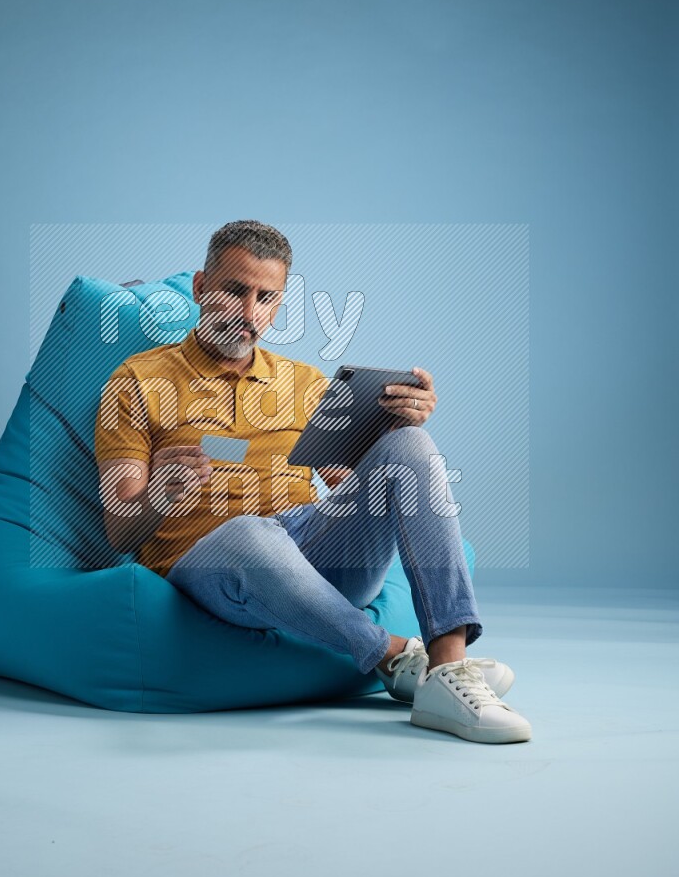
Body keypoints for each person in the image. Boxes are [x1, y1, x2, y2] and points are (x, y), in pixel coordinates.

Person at [94, 219, 532, 744]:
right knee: (251, 533)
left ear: (280, 303)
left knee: (409, 446)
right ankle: (392, 653)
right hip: (214, 568)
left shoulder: (301, 383)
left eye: (266, 298)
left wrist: (396, 427)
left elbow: (355, 481)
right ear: (201, 288)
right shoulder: (139, 380)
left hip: (309, 556)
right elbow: (119, 532)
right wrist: (159, 496)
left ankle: (446, 666)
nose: (249, 313)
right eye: (235, 291)